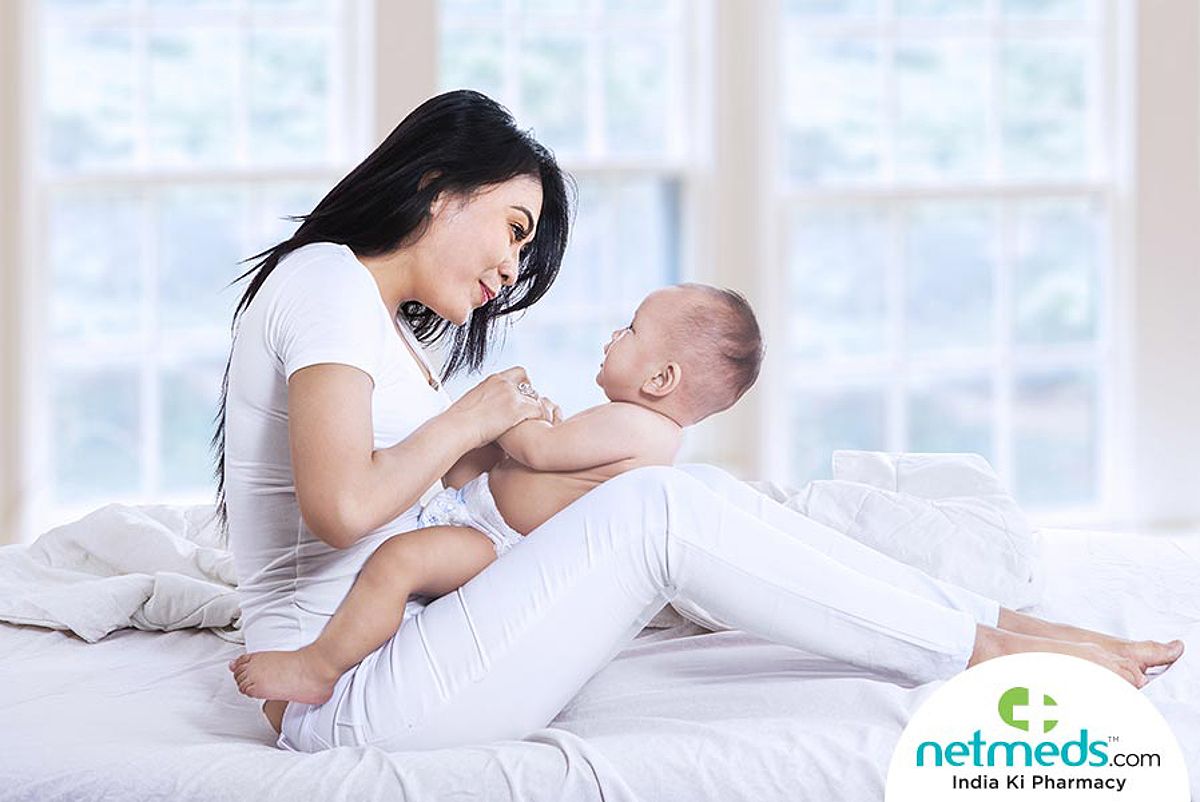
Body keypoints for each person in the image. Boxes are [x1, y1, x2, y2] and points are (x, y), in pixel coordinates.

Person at [215, 89, 1184, 754]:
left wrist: (477, 440)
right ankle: (983, 645)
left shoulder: (376, 319)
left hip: (399, 650)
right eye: (514, 230)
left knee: (697, 497)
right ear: (438, 187)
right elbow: (341, 506)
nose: (513, 272)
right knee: (665, 512)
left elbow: (408, 491)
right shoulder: (329, 283)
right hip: (346, 697)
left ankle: (983, 621)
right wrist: (474, 417)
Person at [228, 282, 764, 705]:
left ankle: (319, 667)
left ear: (662, 377)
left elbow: (542, 453)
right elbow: (553, 461)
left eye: (631, 330)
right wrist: (501, 426)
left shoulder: (643, 428)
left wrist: (510, 407)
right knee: (444, 450)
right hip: (479, 509)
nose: (613, 336)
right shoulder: (637, 425)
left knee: (398, 562)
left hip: (497, 544)